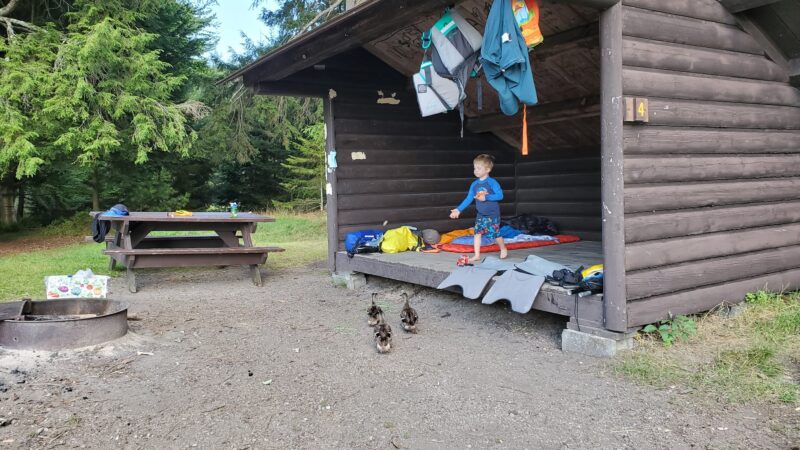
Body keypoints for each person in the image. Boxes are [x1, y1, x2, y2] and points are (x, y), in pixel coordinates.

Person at [449, 154, 508, 261]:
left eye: (478, 168)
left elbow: (500, 196)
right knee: (477, 234)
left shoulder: (492, 182)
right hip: (480, 214)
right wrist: (458, 209)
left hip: (492, 214)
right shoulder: (474, 184)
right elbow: (468, 198)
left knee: (495, 234)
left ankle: (503, 248)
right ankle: (477, 255)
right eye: (475, 168)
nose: (475, 170)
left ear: (488, 169)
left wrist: (486, 197)